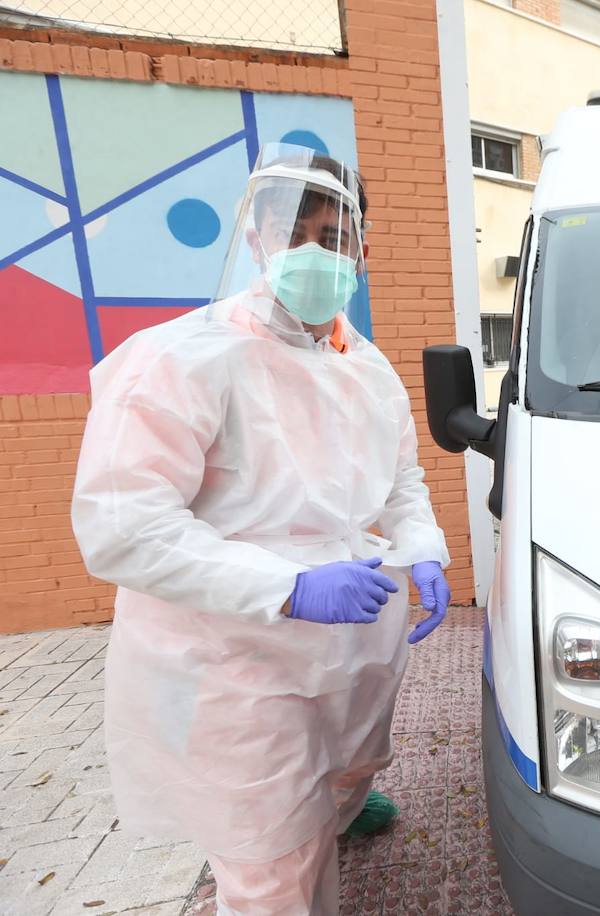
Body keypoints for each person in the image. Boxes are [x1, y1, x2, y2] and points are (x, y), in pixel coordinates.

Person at [71, 145, 452, 915]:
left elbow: (401, 479)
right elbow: (123, 525)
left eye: (334, 236)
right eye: (296, 233)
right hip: (236, 658)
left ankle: (337, 807)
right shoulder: (182, 359)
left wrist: (425, 550)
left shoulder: (365, 366)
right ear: (256, 241)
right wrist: (285, 586)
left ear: (362, 252)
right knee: (272, 859)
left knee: (347, 769)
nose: (316, 254)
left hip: (350, 645)